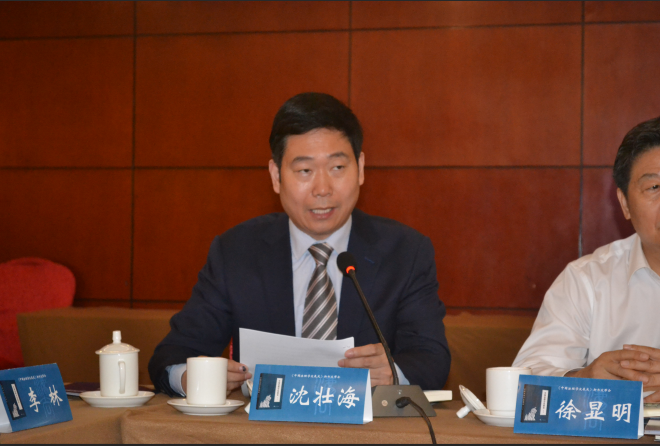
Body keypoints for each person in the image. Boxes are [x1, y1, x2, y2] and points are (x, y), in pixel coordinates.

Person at [148, 92, 451, 397]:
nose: (322, 189)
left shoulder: (406, 252)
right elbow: (172, 355)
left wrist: (393, 373)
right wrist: (194, 378)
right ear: (276, 175)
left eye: (337, 168)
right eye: (305, 171)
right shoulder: (236, 252)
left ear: (360, 168)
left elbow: (432, 359)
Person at [513, 116, 660, 402]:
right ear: (625, 204)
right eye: (654, 187)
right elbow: (526, 382)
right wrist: (583, 380)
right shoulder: (588, 279)